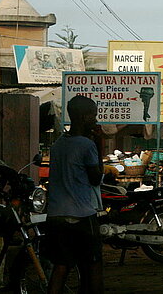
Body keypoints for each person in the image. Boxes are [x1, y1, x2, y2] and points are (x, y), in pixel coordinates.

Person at [46, 95, 104, 294]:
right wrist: (100, 145)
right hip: (82, 214)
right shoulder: (87, 145)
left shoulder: (58, 145)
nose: (96, 120)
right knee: (93, 264)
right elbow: (96, 178)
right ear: (85, 117)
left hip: (55, 214)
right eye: (94, 116)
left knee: (61, 266)